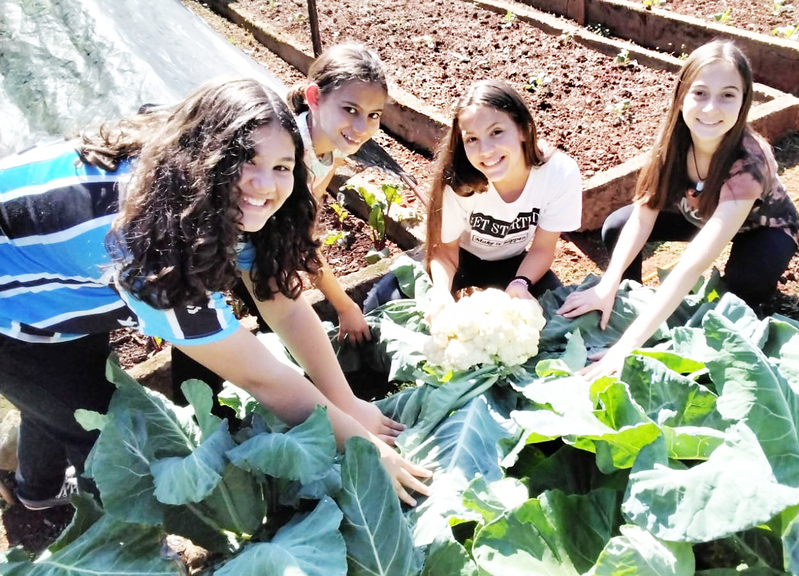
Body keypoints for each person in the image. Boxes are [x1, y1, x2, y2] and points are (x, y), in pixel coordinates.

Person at [0, 78, 430, 510]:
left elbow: (282, 303)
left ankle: (35, 490)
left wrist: (349, 403)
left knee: (63, 391)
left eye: (282, 167)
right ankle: (124, 533)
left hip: (51, 271)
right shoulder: (155, 244)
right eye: (246, 160)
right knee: (112, 436)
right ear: (207, 156)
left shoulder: (194, 180)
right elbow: (262, 378)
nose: (265, 184)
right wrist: (369, 451)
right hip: (9, 308)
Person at [557, 41, 799, 380]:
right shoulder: (675, 140)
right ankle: (630, 303)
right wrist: (608, 284)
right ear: (682, 96)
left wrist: (626, 347)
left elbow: (691, 266)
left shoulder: (749, 165)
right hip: (699, 211)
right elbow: (645, 212)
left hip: (762, 226)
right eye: (700, 93)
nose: (711, 108)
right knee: (617, 225)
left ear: (744, 101)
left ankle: (671, 325)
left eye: (728, 95)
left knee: (744, 289)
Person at [363, 79, 582, 311]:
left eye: (496, 132)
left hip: (514, 262)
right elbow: (445, 251)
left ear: (524, 130)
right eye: (472, 139)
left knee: (558, 313)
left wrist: (520, 283)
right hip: (459, 257)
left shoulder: (559, 173)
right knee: (381, 303)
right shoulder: (459, 179)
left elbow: (543, 248)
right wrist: (441, 295)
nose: (485, 150)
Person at [287, 43, 388, 344]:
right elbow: (302, 246)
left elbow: (304, 228)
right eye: (351, 110)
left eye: (373, 115)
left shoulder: (331, 149)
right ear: (315, 97)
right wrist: (345, 305)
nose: (361, 127)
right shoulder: (288, 154)